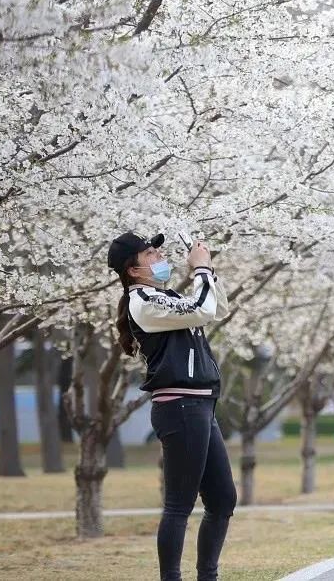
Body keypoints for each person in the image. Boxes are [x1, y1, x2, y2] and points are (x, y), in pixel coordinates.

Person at [107, 231, 235, 581]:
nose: (160, 257)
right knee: (179, 504)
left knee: (223, 501)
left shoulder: (165, 296)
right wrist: (200, 271)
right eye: (150, 253)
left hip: (201, 406)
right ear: (133, 270)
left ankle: (208, 575)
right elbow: (201, 309)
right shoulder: (143, 301)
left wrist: (208, 271)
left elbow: (217, 308)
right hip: (179, 405)